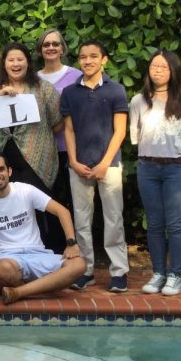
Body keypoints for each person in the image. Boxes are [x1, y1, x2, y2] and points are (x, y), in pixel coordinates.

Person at [0, 42, 65, 251]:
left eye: (20, 59)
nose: (15, 64)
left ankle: (54, 255)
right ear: (4, 64)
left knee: (43, 209)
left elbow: (58, 122)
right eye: (11, 59)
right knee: (7, 208)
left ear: (27, 62)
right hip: (4, 159)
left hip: (37, 160)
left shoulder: (43, 89)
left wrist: (39, 136)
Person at [60, 41, 129, 293]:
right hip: (79, 167)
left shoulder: (116, 90)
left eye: (93, 56)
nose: (87, 61)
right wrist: (74, 161)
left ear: (104, 60)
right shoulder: (69, 92)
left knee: (113, 220)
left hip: (109, 166)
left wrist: (104, 164)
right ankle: (85, 270)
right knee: (82, 221)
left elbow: (120, 130)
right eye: (83, 57)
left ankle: (119, 271)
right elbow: (68, 129)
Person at [130, 50, 181, 297]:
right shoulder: (138, 101)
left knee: (175, 225)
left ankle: (176, 276)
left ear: (173, 71)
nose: (158, 70)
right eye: (154, 66)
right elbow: (135, 136)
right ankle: (159, 272)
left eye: (164, 67)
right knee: (155, 224)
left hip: (177, 168)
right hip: (148, 168)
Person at [0, 152, 85, 303]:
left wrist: (71, 243)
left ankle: (19, 292)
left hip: (37, 253)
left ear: (9, 171)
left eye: (1, 169)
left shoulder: (25, 190)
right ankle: (45, 286)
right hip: (8, 257)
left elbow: (62, 211)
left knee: (78, 265)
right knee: (3, 270)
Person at [36, 28, 82, 215]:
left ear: (62, 49)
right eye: (46, 44)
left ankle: (77, 242)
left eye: (56, 44)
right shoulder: (33, 79)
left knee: (75, 199)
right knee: (50, 200)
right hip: (44, 150)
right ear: (40, 50)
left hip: (71, 148)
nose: (51, 47)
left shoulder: (76, 75)